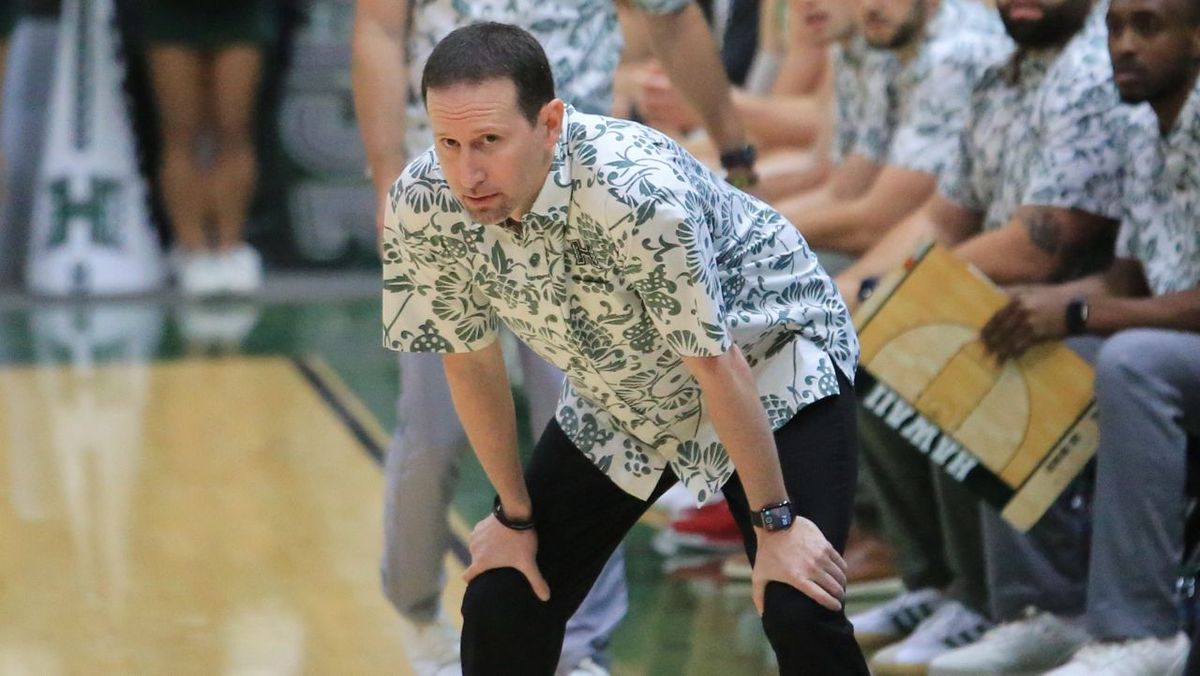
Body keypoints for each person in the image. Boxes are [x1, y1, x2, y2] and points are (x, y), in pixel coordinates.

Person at [383, 22, 868, 675]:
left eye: (490, 142)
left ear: (550, 123)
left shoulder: (634, 193)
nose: (467, 173)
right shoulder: (422, 203)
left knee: (797, 600)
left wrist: (775, 526)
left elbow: (714, 365)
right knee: (506, 591)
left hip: (770, 359)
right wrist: (514, 518)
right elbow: (470, 361)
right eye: (449, 143)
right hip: (625, 390)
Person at [843, 1, 1133, 673]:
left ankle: (1028, 605)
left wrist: (915, 293)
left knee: (944, 335)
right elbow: (943, 219)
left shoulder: (1088, 74)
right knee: (857, 336)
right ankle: (943, 584)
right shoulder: (1003, 78)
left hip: (1079, 309)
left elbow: (1043, 249)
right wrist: (851, 290)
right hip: (1001, 291)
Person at [930, 0, 1200, 672]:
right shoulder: (1146, 130)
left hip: (1168, 350)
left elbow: (1128, 313)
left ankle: (1141, 634)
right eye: (1114, 29)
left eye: (1148, 27)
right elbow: (1128, 280)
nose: (1125, 46)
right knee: (1007, 339)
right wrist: (1044, 304)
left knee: (1133, 362)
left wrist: (1083, 315)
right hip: (1169, 340)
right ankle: (1042, 611)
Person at [137, 0, 276, 296]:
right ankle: (192, 248)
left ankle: (229, 248)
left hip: (240, 13)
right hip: (169, 13)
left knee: (234, 129)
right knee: (180, 133)